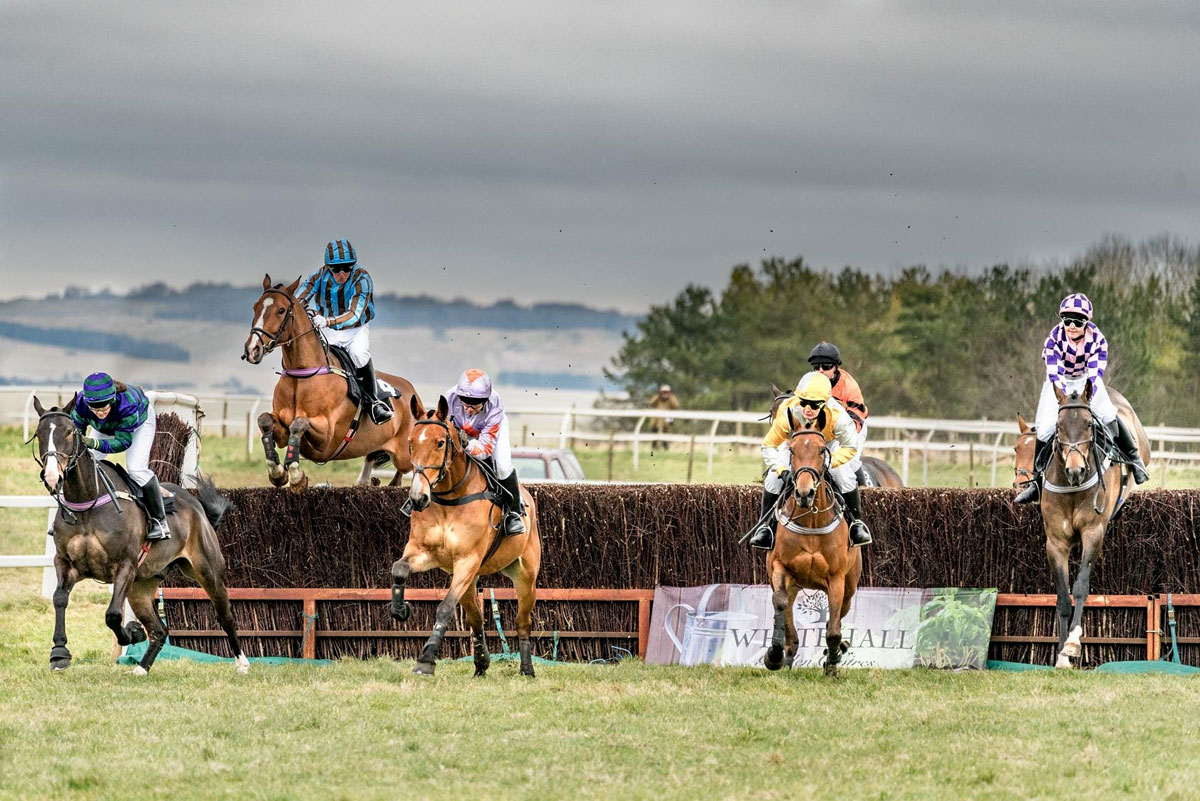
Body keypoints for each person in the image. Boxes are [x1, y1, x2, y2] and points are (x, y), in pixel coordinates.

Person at [1014, 292, 1149, 504]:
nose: (1072, 325)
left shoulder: (1098, 340)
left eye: (1077, 321)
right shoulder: (1053, 339)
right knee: (1045, 425)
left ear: (1086, 322)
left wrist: (1087, 395)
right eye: (1067, 320)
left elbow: (1096, 374)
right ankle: (1038, 482)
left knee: (1107, 413)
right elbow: (1053, 372)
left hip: (1087, 381)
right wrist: (1062, 398)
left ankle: (1134, 459)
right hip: (1059, 383)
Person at [749, 371, 872, 550]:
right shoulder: (788, 410)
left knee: (845, 476)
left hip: (828, 446)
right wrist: (782, 470)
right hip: (797, 444)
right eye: (803, 402)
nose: (807, 409)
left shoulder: (838, 416)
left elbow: (851, 447)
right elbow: (768, 445)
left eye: (814, 405)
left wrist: (828, 463)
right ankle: (764, 527)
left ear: (825, 403)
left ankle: (857, 525)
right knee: (773, 480)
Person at [295, 238, 393, 425]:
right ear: (328, 267)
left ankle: (374, 402)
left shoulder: (362, 279)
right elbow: (299, 299)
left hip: (355, 329)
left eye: (347, 268)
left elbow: (354, 314)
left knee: (358, 354)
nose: (342, 273)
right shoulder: (318, 277)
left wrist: (327, 320)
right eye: (336, 269)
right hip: (327, 328)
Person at [69, 372, 170, 540]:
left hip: (139, 424)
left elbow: (123, 443)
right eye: (95, 408)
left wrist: (93, 443)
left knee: (136, 469)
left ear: (113, 399)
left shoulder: (126, 405)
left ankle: (160, 522)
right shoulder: (80, 403)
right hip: (106, 427)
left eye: (104, 407)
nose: (100, 412)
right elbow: (77, 431)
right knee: (85, 463)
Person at [445, 369, 526, 536]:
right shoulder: (450, 397)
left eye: (474, 405)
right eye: (464, 403)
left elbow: (484, 451)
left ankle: (514, 513)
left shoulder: (494, 405)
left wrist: (466, 444)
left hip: (488, 433)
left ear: (485, 400)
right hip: (461, 431)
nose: (467, 409)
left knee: (502, 467)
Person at [807, 342, 870, 484]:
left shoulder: (849, 386)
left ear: (835, 366)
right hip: (824, 430)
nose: (820, 370)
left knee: (845, 466)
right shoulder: (809, 384)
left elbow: (855, 423)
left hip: (852, 429)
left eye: (826, 366)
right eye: (816, 367)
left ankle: (863, 493)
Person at [648, 384, 680, 450]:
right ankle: (653, 451)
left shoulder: (671, 398)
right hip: (656, 420)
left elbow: (676, 405)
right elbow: (651, 403)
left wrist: (671, 396)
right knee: (654, 435)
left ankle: (666, 449)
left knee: (666, 435)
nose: (665, 394)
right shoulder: (657, 398)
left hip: (668, 418)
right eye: (663, 392)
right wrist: (658, 396)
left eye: (667, 392)